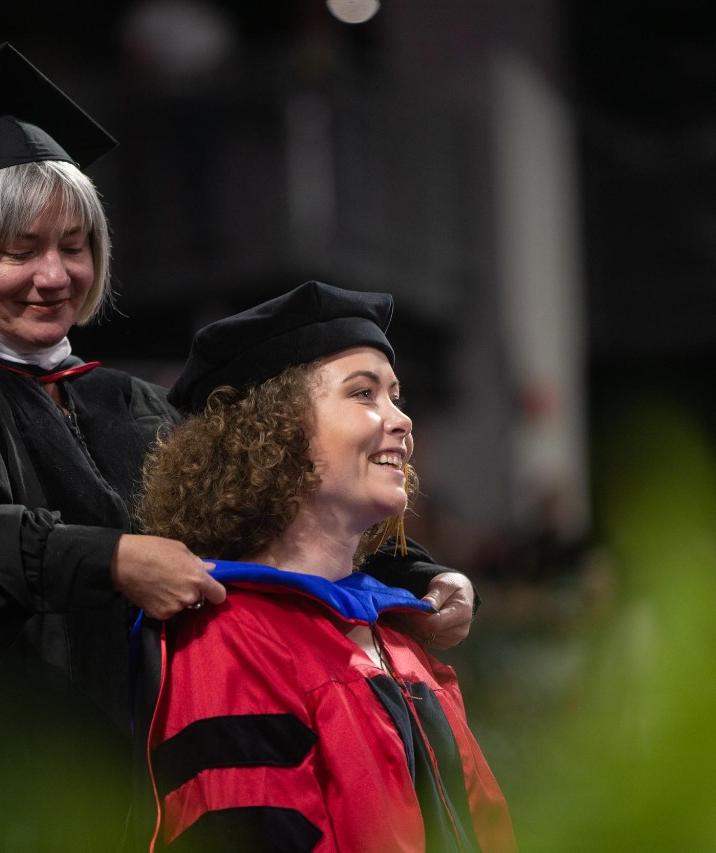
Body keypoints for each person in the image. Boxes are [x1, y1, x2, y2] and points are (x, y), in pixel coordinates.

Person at [0, 45, 477, 852]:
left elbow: (257, 505)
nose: (54, 275)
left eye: (75, 245)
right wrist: (110, 559)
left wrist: (413, 574)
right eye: (21, 250)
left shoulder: (120, 401)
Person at [134, 281, 515, 851]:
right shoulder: (228, 642)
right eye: (364, 395)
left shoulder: (401, 638)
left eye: (395, 395)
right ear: (276, 433)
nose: (401, 419)